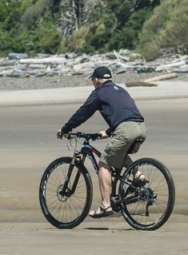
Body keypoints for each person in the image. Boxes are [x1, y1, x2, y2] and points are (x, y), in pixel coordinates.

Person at [57, 66, 146, 218]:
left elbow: (83, 113)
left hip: (125, 130)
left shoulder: (99, 92)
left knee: (104, 163)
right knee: (119, 153)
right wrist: (109, 132)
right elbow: (124, 112)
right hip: (140, 128)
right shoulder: (121, 90)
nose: (93, 83)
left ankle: (105, 205)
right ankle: (138, 175)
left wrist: (66, 129)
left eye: (92, 80)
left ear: (97, 80)